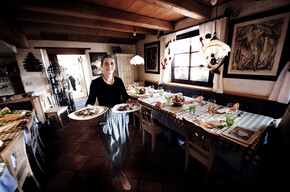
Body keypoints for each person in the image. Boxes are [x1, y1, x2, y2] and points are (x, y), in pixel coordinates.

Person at [85, 55, 132, 190]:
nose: (109, 66)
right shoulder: (96, 83)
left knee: (123, 144)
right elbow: (91, 100)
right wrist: (88, 107)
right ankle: (120, 173)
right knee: (111, 146)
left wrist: (130, 102)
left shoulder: (119, 81)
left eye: (112, 63)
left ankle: (120, 167)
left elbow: (125, 97)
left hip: (120, 116)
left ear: (114, 66)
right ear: (102, 66)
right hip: (105, 118)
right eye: (106, 63)